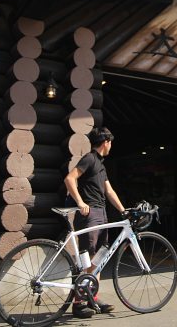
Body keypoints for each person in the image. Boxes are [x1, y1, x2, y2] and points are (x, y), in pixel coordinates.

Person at [63, 127, 125, 318]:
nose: (111, 146)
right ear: (106, 142)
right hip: (89, 214)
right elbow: (69, 178)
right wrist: (81, 202)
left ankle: (93, 296)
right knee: (87, 258)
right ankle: (79, 302)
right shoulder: (89, 158)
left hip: (101, 213)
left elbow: (109, 191)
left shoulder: (100, 164)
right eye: (111, 143)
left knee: (99, 258)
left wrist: (123, 210)